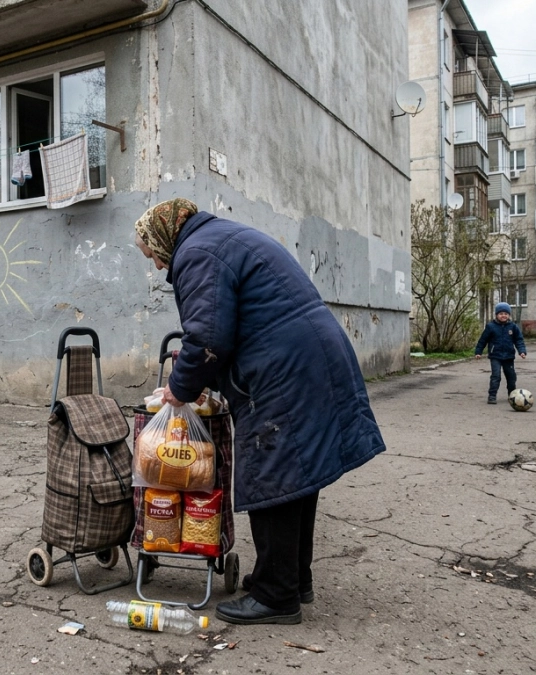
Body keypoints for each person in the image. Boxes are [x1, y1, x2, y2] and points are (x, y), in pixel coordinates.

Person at [133, 198, 386, 625]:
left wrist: (179, 389)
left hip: (283, 366)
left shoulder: (196, 253)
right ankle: (291, 578)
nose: (158, 266)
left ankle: (276, 596)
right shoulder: (224, 236)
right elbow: (229, 324)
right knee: (298, 474)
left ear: (164, 238)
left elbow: (208, 337)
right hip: (310, 352)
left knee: (274, 475)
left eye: (154, 255)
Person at [474, 302, 528, 404]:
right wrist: (478, 351)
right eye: (501, 313)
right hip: (495, 356)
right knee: (496, 376)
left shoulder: (513, 327)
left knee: (511, 377)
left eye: (506, 313)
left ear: (509, 315)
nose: (503, 315)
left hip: (509, 356)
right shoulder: (491, 326)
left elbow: (519, 340)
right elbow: (483, 340)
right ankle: (492, 396)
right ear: (496, 315)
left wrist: (522, 351)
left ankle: (512, 396)